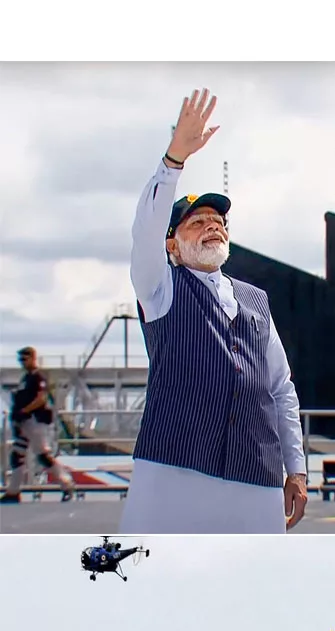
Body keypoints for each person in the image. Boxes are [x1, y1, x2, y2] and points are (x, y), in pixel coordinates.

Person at [122, 89, 307, 533]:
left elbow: (280, 388)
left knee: (253, 592)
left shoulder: (256, 301)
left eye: (219, 222)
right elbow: (143, 232)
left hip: (255, 477)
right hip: (174, 474)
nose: (212, 226)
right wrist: (173, 161)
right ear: (172, 244)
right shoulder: (161, 288)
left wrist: (296, 469)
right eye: (197, 222)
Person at [2, 346, 75, 503]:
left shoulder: (38, 377)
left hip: (35, 421)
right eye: (20, 359)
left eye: (24, 359)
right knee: (17, 455)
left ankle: (66, 484)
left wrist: (25, 411)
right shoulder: (25, 379)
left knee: (43, 456)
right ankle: (13, 491)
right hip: (25, 423)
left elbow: (41, 399)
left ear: (33, 358)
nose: (22, 362)